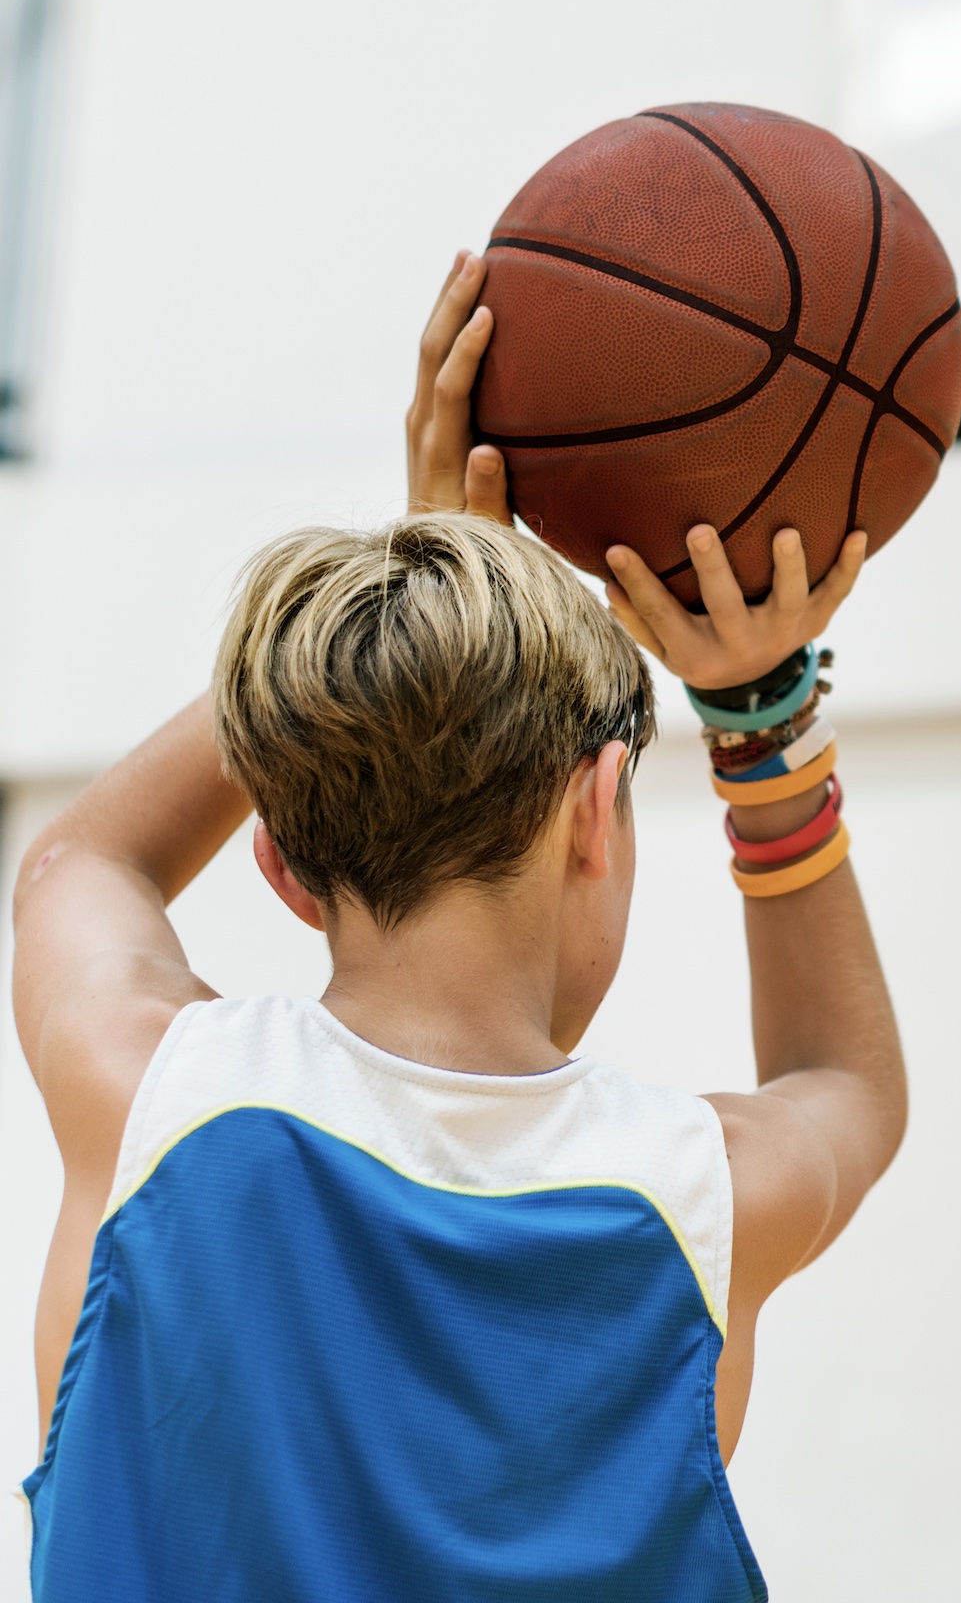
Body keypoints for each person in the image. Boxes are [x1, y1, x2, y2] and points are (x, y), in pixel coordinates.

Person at [9, 252, 905, 1600]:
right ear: (598, 811)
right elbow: (849, 1084)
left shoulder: (148, 1094)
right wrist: (763, 720)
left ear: (279, 862)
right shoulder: (698, 1196)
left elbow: (82, 859)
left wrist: (381, 617)